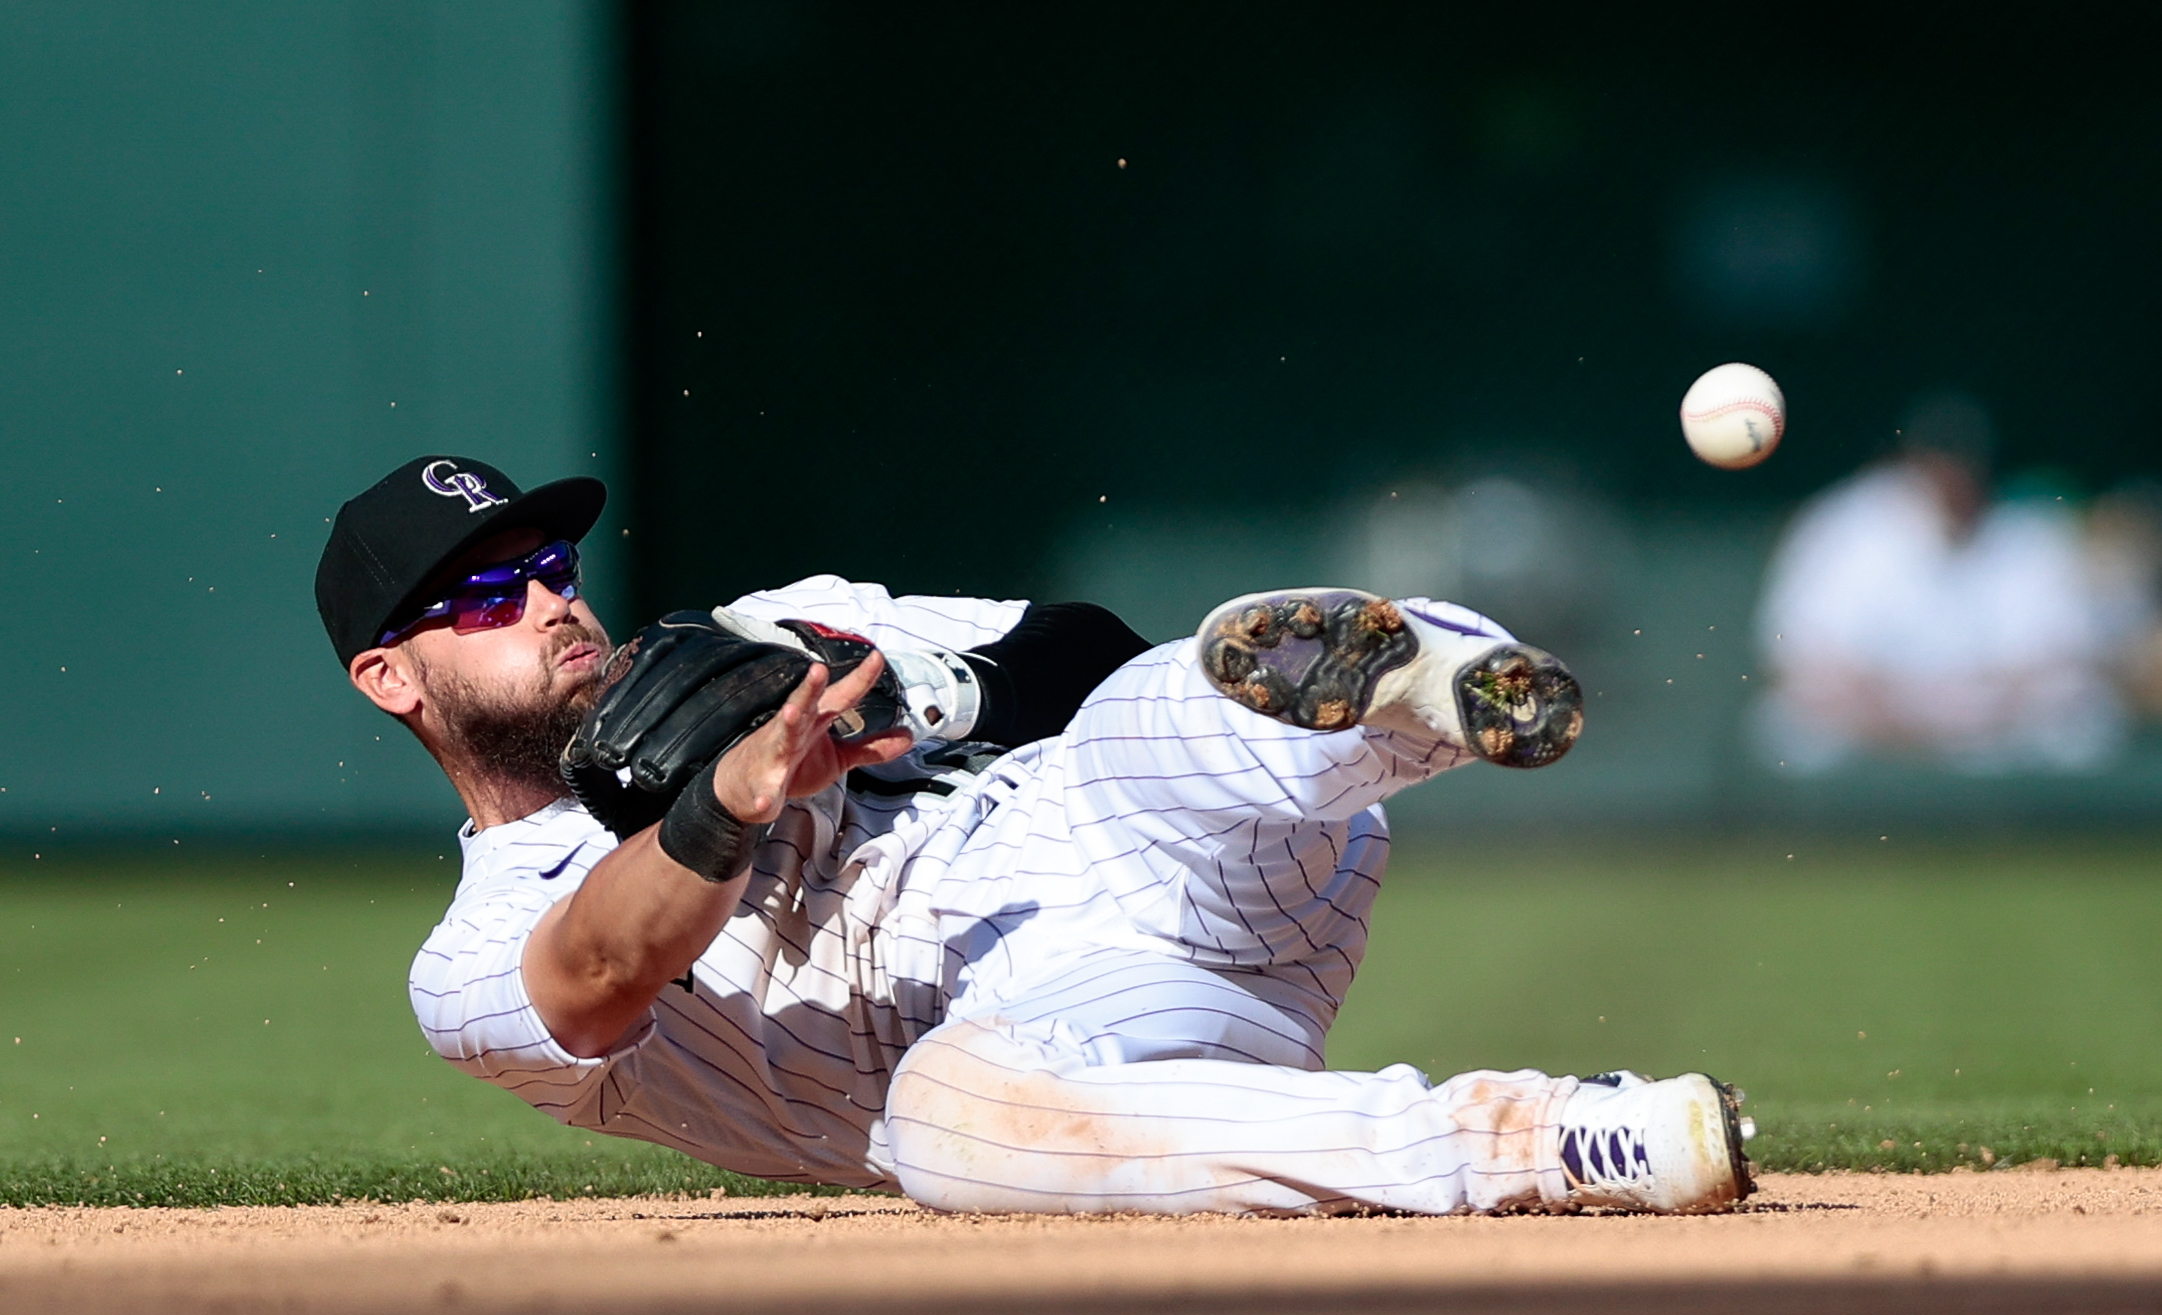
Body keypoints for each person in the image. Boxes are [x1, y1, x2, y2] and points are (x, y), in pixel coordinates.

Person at [316, 455, 1755, 1216]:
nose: (550, 596)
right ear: (392, 678)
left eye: (550, 561)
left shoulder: (767, 640)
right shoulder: (468, 962)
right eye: (488, 590)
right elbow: (595, 974)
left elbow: (1077, 644)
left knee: (1155, 702)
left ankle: (1430, 681)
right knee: (945, 1124)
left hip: (1128, 840)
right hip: (1083, 1024)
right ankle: (1556, 1134)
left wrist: (930, 692)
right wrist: (737, 797)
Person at [1755, 391, 2124, 772]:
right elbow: (1804, 656)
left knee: (2083, 724)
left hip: (1997, 720)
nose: (1954, 476)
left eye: (1966, 461)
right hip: (1877, 716)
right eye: (1941, 460)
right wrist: (1905, 715)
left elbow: (2063, 659)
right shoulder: (1846, 523)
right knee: (1791, 727)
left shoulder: (2029, 528)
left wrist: (1972, 714)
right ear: (1912, 461)